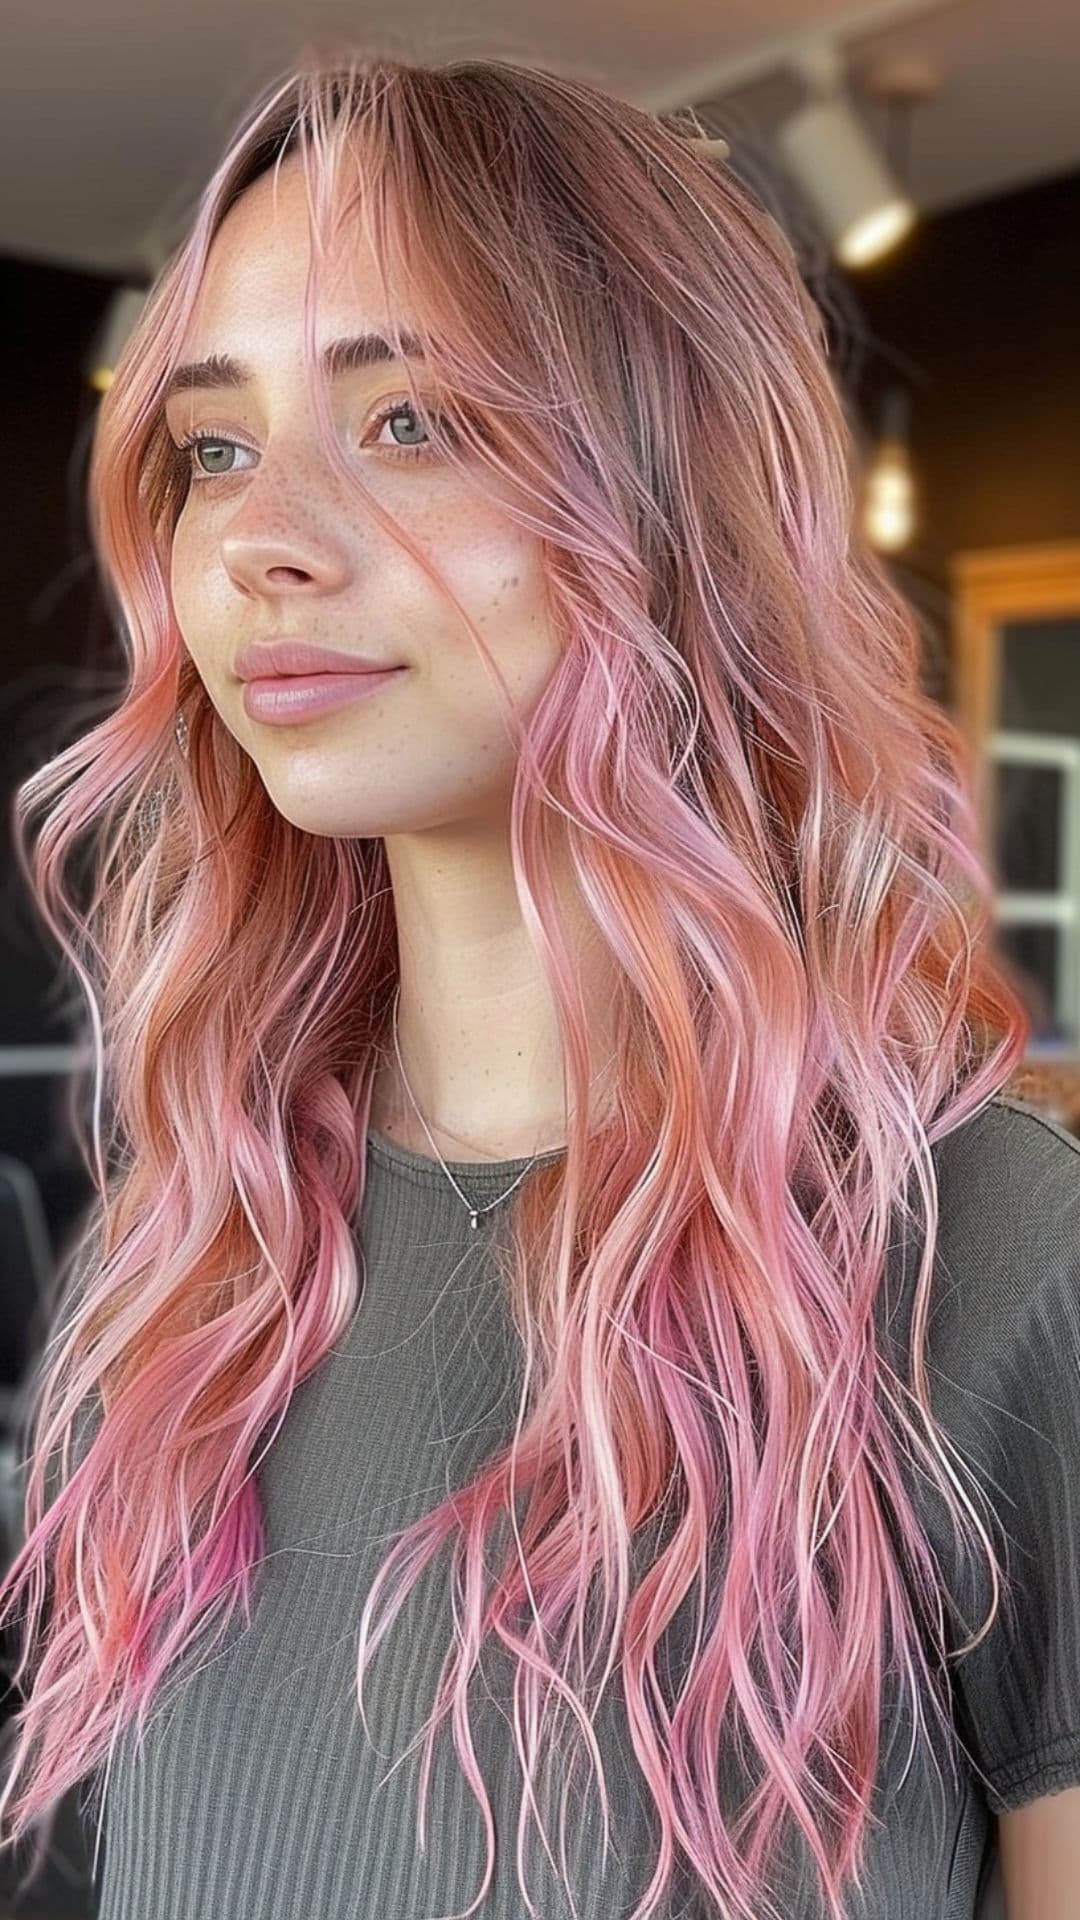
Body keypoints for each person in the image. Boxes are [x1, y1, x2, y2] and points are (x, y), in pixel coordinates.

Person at [1, 43, 1077, 1920]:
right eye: (214, 446)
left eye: (411, 420)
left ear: (673, 505)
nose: (255, 540)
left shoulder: (987, 1264)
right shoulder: (187, 1278)